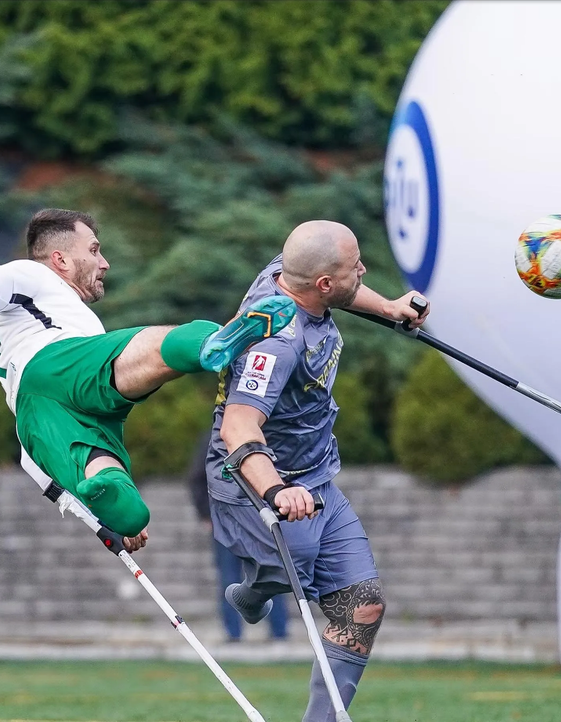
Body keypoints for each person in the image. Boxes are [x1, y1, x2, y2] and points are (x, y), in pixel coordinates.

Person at [0, 157, 296, 545]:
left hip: (37, 418)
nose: (105, 263)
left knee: (121, 500)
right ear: (60, 259)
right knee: (144, 350)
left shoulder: (59, 317)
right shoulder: (34, 275)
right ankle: (210, 342)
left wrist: (102, 522)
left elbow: (39, 472)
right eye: (94, 250)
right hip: (57, 364)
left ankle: (115, 502)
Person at [206, 220, 428, 722]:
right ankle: (255, 590)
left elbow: (343, 287)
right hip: (255, 481)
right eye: (356, 268)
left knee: (362, 606)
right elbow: (238, 426)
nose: (364, 272)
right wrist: (277, 490)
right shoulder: (276, 343)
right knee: (295, 563)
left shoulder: (290, 275)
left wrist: (390, 309)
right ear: (323, 284)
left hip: (318, 477)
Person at [185, 435, 288, 643]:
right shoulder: (215, 440)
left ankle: (276, 631)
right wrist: (207, 514)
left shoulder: (260, 435)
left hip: (258, 522)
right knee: (236, 577)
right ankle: (237, 633)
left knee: (269, 575)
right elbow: (197, 478)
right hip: (231, 522)